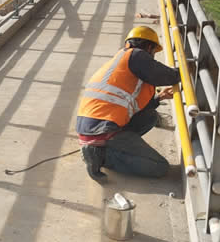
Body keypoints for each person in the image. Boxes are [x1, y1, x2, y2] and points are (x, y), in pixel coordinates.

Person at [76, 26, 180, 181]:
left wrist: (159, 98)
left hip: (95, 126)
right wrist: (187, 68)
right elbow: (170, 76)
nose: (153, 57)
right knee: (159, 167)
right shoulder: (137, 55)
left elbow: (132, 103)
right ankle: (100, 155)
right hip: (101, 131)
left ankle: (109, 149)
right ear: (149, 47)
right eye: (154, 52)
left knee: (150, 117)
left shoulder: (122, 61)